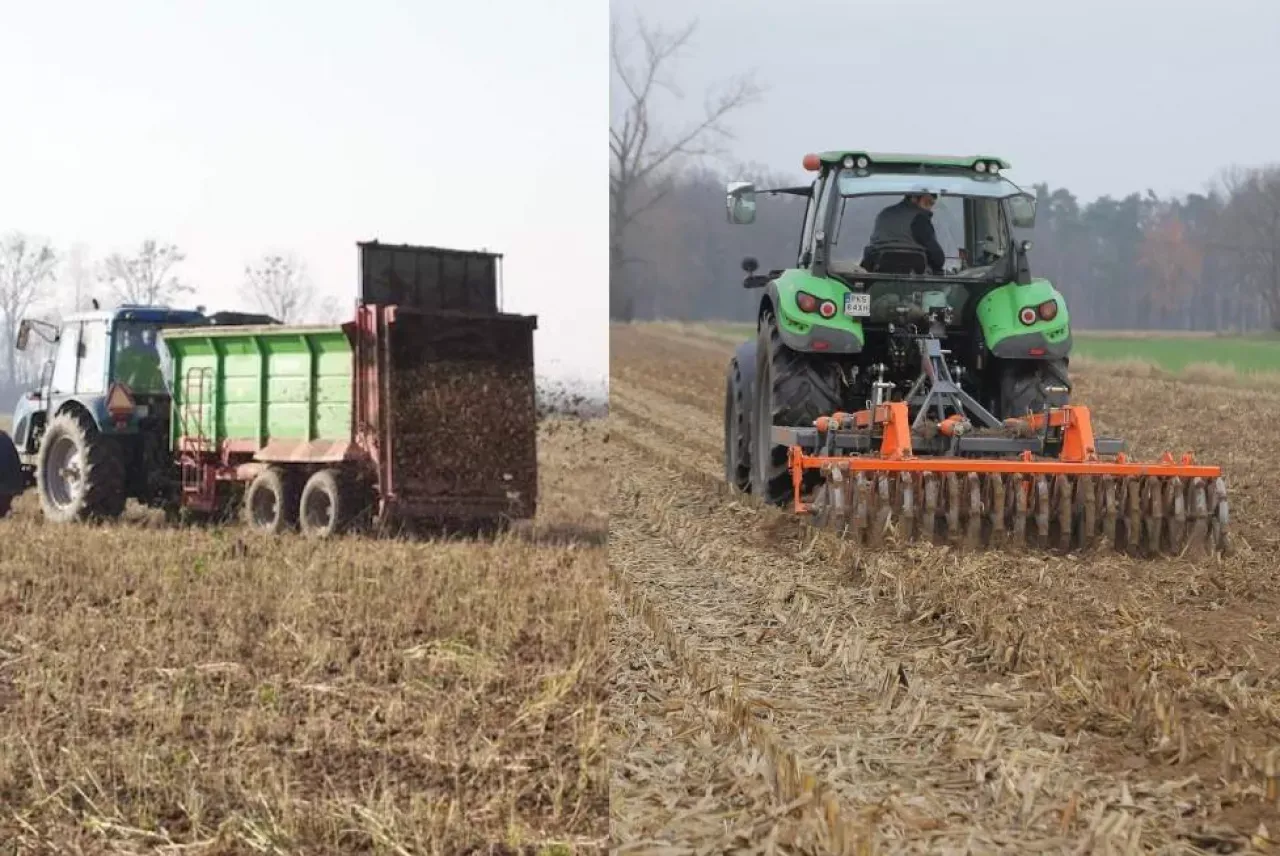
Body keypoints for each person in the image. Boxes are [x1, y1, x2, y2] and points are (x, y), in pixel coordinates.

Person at [861, 192, 947, 274]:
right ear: (914, 198)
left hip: (878, 277)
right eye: (927, 203)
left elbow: (872, 248)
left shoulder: (884, 214)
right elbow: (938, 259)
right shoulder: (920, 219)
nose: (929, 208)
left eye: (931, 205)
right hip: (916, 279)